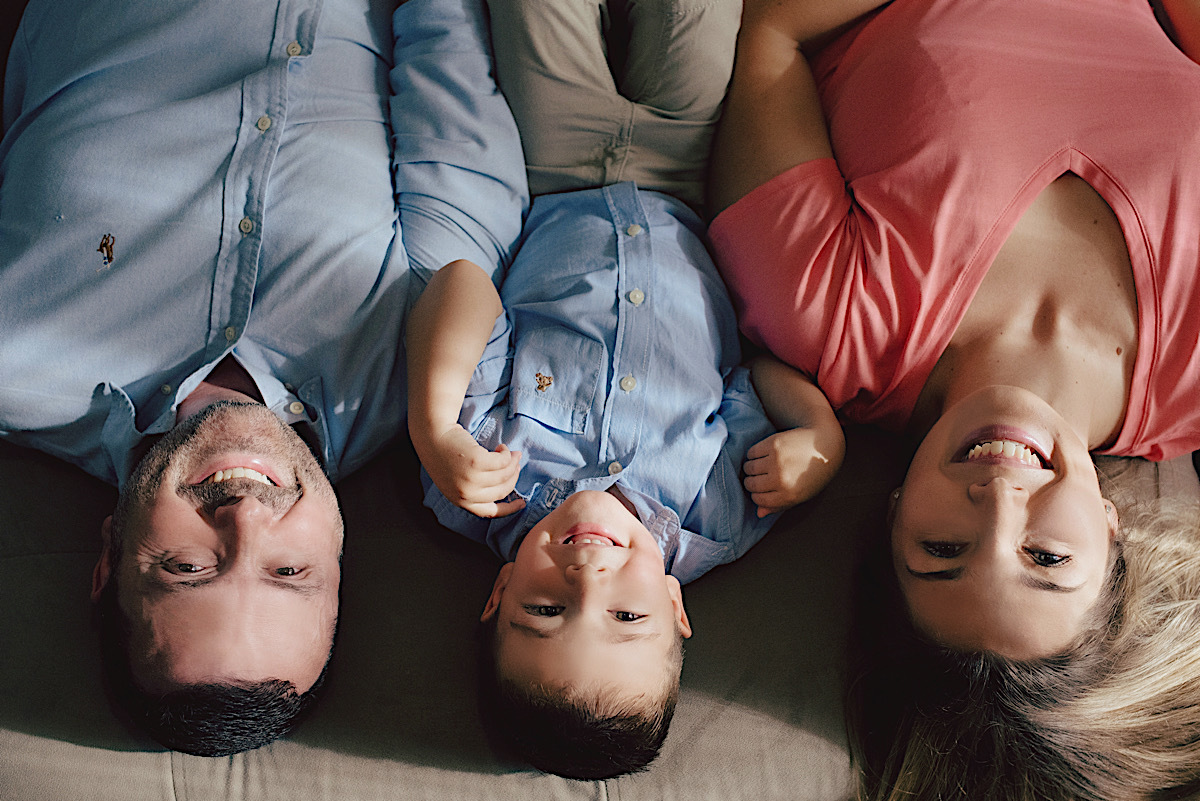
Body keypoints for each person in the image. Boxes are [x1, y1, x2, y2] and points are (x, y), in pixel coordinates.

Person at [0, 0, 523, 755]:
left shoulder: (19, 360)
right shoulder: (431, 356)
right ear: (340, 562)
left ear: (110, 557)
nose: (244, 519)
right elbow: (449, 54)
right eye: (288, 568)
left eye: (187, 566)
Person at [707, 0, 1200, 797]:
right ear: (1112, 536)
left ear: (896, 509)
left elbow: (771, 32)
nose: (999, 501)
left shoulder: (825, 312)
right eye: (1046, 559)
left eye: (944, 551)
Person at [400, 0, 845, 779]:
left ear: (498, 594)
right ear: (677, 610)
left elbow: (464, 285)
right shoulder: (722, 509)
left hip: (555, 166)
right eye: (627, 615)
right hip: (690, 176)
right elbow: (760, 374)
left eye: (544, 609)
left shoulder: (474, 478)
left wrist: (435, 422)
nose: (588, 577)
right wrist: (822, 439)